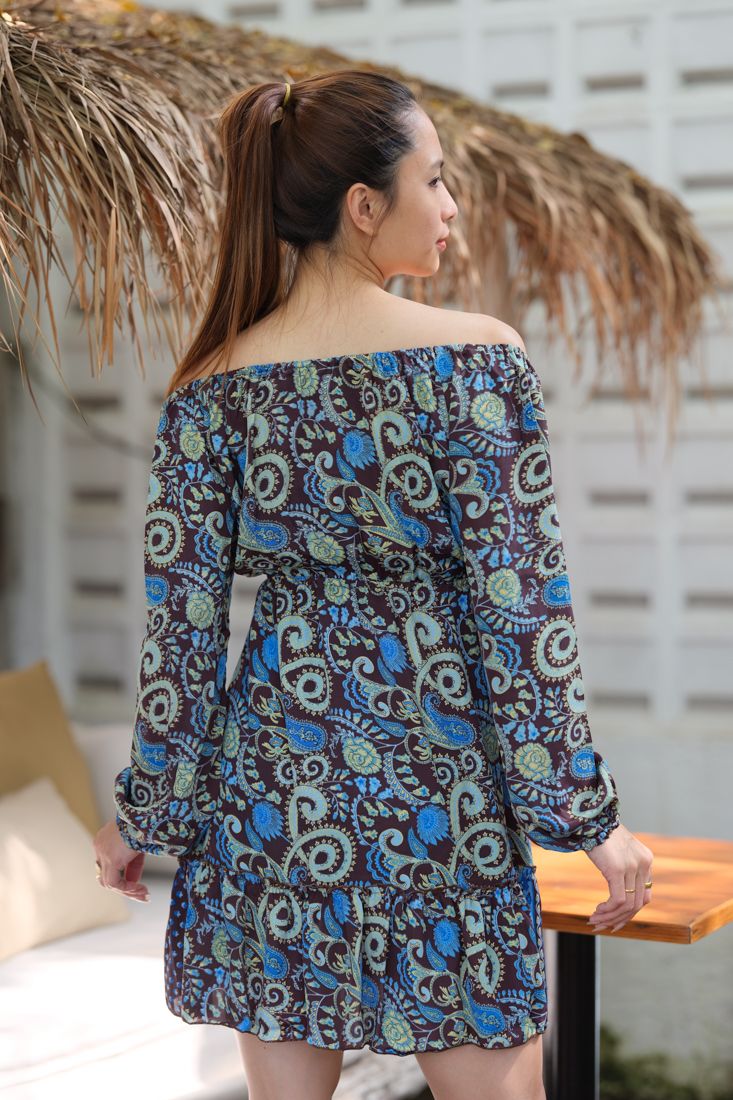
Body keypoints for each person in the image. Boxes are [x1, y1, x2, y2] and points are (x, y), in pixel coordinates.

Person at [93, 69, 654, 1100]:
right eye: (433, 181)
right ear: (363, 205)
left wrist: (148, 818)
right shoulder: (475, 364)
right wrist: (586, 817)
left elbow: (179, 640)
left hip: (272, 801)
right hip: (440, 798)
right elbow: (521, 614)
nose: (450, 207)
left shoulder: (208, 391)